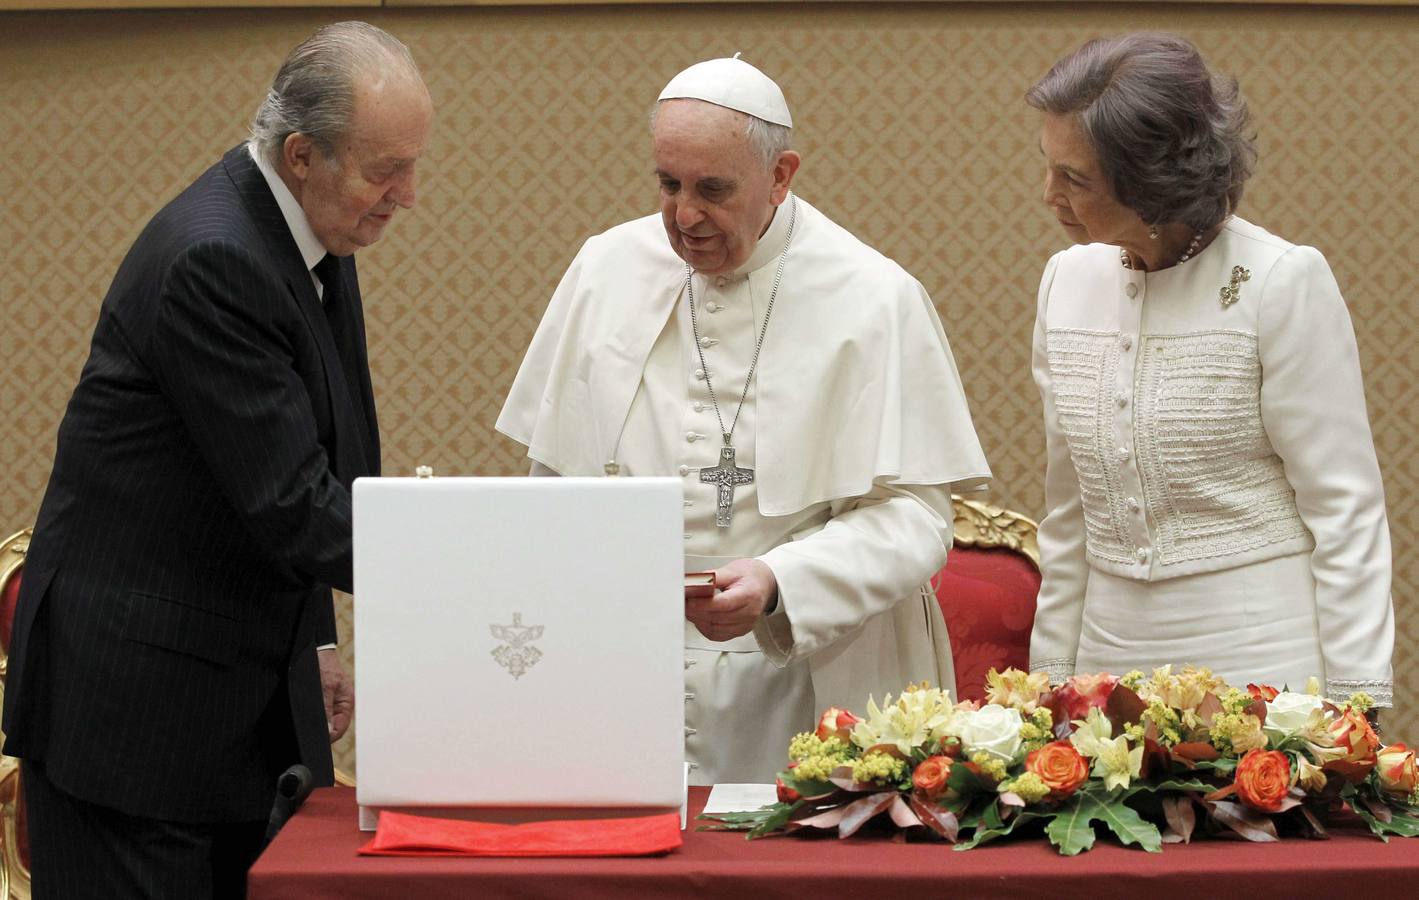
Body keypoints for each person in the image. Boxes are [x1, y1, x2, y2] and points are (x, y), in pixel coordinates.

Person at [2, 21, 432, 897]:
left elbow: (318, 464)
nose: (408, 194)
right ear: (303, 153)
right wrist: (487, 565)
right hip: (139, 720)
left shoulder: (309, 233)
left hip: (225, 693)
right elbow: (295, 505)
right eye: (386, 170)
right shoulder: (216, 259)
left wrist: (312, 635)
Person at [497, 56, 990, 784]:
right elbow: (554, 488)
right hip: (632, 671)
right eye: (667, 184)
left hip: (813, 678)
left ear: (781, 175)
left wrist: (778, 578)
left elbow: (917, 518)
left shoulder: (874, 297)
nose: (683, 216)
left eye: (713, 190)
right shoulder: (605, 270)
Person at [1025, 32, 1394, 709]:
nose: (1048, 193)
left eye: (1074, 178)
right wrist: (1050, 682)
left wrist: (1352, 707)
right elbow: (1068, 509)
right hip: (1108, 670)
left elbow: (1344, 509)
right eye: (1048, 167)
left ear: (1149, 182)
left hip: (1261, 666)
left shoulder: (1278, 282)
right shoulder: (1062, 284)